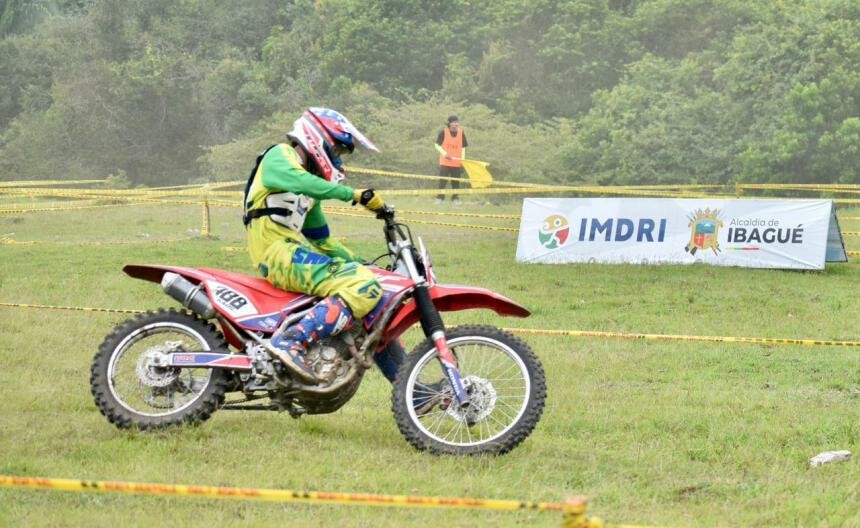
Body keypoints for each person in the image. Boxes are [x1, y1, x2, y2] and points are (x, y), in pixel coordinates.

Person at [243, 107, 398, 383]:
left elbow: (323, 241)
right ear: (319, 138)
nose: (337, 160)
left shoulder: (306, 194)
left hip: (290, 253)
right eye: (337, 151)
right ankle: (290, 343)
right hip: (277, 255)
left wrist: (363, 263)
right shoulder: (279, 155)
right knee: (361, 285)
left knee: (375, 296)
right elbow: (302, 180)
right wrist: (353, 196)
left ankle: (410, 386)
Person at [434, 115, 469, 205]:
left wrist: (462, 160)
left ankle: (455, 198)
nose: (455, 124)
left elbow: (463, 147)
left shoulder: (461, 132)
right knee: (443, 181)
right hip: (445, 161)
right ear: (449, 123)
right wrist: (445, 154)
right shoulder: (443, 132)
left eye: (457, 122)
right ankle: (440, 198)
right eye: (453, 122)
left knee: (456, 182)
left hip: (457, 162)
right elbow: (436, 145)